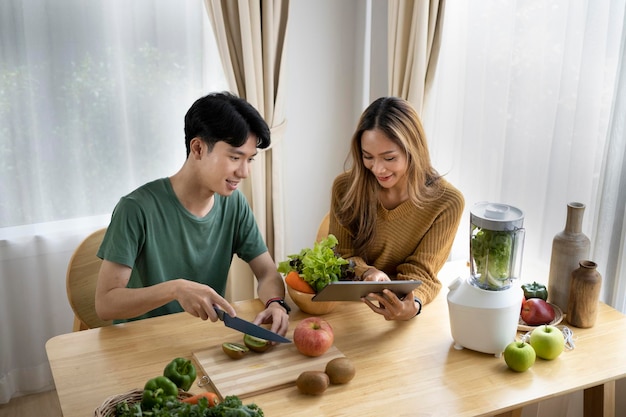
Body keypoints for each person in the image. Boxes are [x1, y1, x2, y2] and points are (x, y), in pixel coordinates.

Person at [95, 92, 289, 337]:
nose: (244, 172)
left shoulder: (235, 204)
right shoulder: (136, 208)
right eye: (234, 157)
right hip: (140, 342)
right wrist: (175, 289)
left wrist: (275, 303)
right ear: (197, 148)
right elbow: (106, 304)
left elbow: (267, 272)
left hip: (199, 338)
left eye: (249, 159)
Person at [329, 96, 464, 321]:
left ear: (414, 151)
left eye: (389, 158)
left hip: (403, 311)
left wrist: (414, 305)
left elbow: (424, 273)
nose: (378, 168)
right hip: (350, 310)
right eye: (367, 157)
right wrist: (367, 273)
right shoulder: (345, 188)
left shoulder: (448, 202)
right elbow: (342, 255)